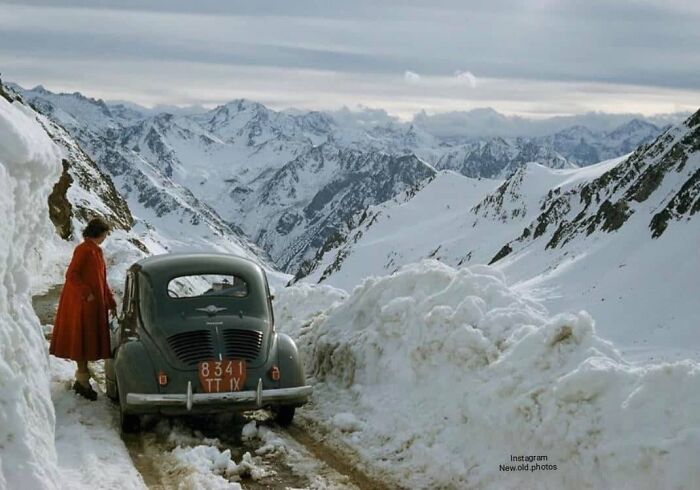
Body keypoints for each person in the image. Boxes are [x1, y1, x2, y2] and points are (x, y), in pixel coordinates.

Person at [50, 217, 117, 400]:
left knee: (86, 341)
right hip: (82, 304)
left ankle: (82, 380)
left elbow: (102, 280)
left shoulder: (97, 251)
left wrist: (110, 301)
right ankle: (82, 381)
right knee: (81, 341)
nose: (105, 237)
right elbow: (71, 274)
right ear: (99, 232)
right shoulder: (83, 250)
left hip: (92, 304)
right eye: (105, 233)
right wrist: (86, 293)